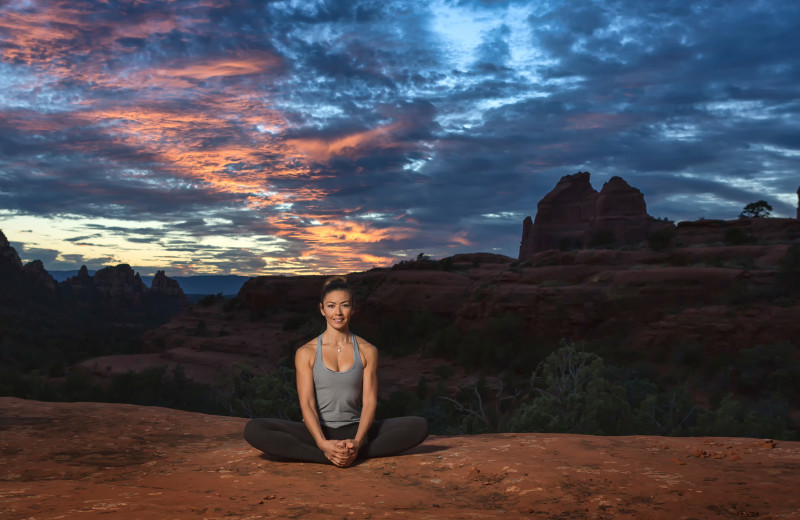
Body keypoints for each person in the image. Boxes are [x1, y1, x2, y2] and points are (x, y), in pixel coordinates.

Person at [244, 275, 428, 467]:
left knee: (418, 425)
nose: (338, 312)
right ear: (322, 309)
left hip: (356, 430)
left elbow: (369, 402)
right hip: (317, 432)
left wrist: (357, 441)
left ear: (353, 308)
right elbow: (307, 403)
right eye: (331, 306)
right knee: (254, 429)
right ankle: (328, 455)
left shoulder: (368, 351)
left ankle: (352, 451)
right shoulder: (306, 352)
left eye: (345, 305)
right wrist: (322, 444)